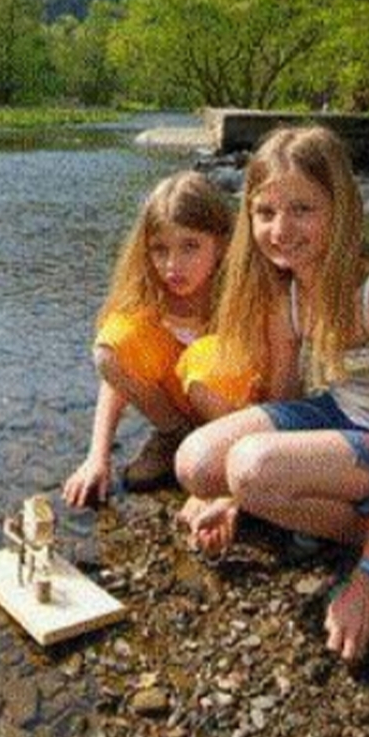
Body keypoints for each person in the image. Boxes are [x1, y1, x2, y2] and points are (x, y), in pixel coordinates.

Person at [173, 126, 369, 663]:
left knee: (252, 469)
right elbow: (283, 400)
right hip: (351, 414)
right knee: (199, 462)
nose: (281, 229)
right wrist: (230, 495)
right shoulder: (287, 285)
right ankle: (336, 516)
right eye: (265, 211)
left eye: (302, 209)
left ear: (340, 209)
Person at [62, 171, 254, 509]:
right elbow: (115, 377)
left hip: (236, 419)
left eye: (190, 247)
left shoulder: (240, 294)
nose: (172, 265)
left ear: (221, 244)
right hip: (182, 415)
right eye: (159, 249)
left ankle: (218, 466)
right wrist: (97, 456)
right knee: (112, 345)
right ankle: (174, 437)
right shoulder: (152, 296)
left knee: (204, 357)